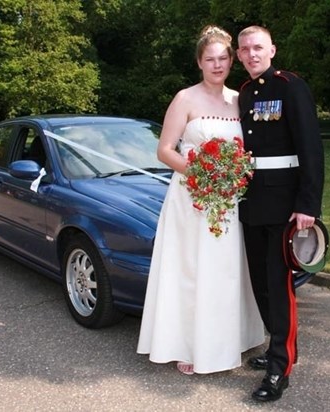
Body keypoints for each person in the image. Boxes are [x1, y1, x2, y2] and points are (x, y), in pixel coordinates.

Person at [137, 25, 264, 375]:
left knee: (225, 271)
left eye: (223, 58)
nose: (217, 64)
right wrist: (202, 177)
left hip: (229, 200)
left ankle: (228, 339)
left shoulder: (239, 100)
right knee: (192, 270)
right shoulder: (185, 99)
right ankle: (188, 342)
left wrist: (231, 177)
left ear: (231, 61)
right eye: (210, 59)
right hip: (192, 198)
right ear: (199, 62)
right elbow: (164, 150)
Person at [236, 26, 324, 401]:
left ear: (272, 49)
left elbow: (310, 146)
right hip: (251, 201)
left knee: (278, 285)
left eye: (258, 47)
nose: (252, 54)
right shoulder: (243, 93)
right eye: (245, 49)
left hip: (285, 205)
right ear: (239, 55)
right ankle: (280, 348)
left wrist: (308, 204)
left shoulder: (290, 86)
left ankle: (278, 369)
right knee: (259, 284)